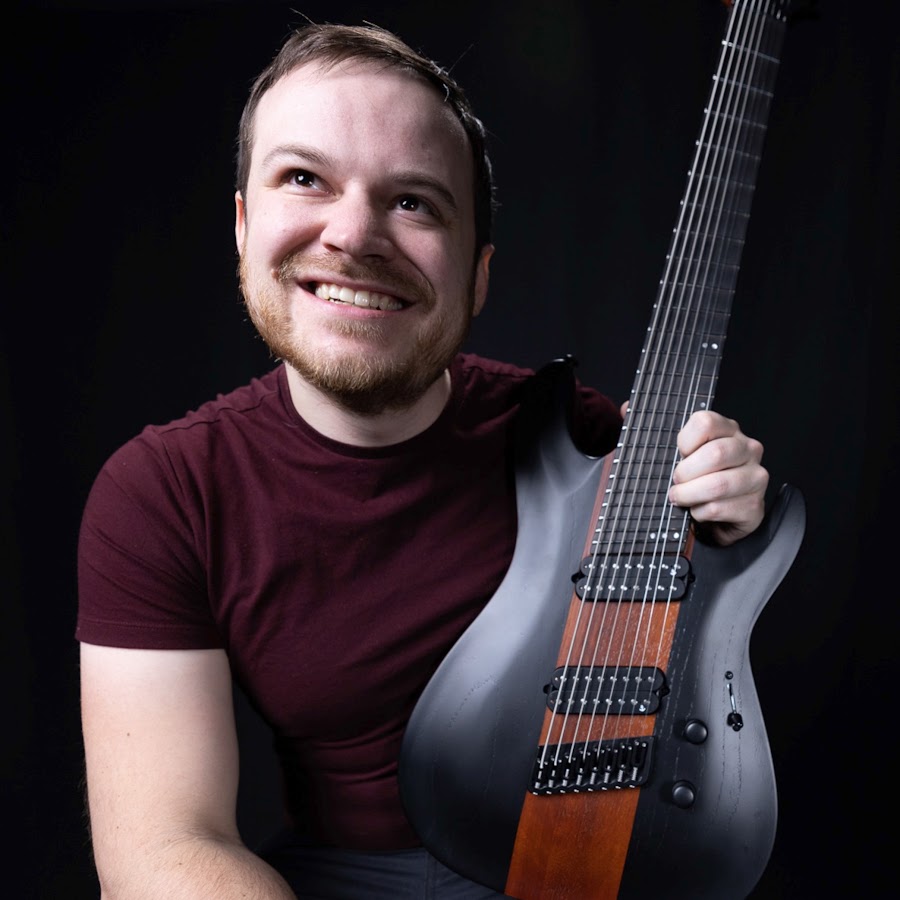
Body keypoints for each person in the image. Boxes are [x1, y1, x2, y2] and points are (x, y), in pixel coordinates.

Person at [77, 22, 769, 900]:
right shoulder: (163, 494)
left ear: (477, 274)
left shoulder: (583, 441)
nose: (354, 235)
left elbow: (698, 686)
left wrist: (728, 526)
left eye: (413, 202)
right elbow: (162, 849)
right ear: (244, 227)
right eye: (305, 178)